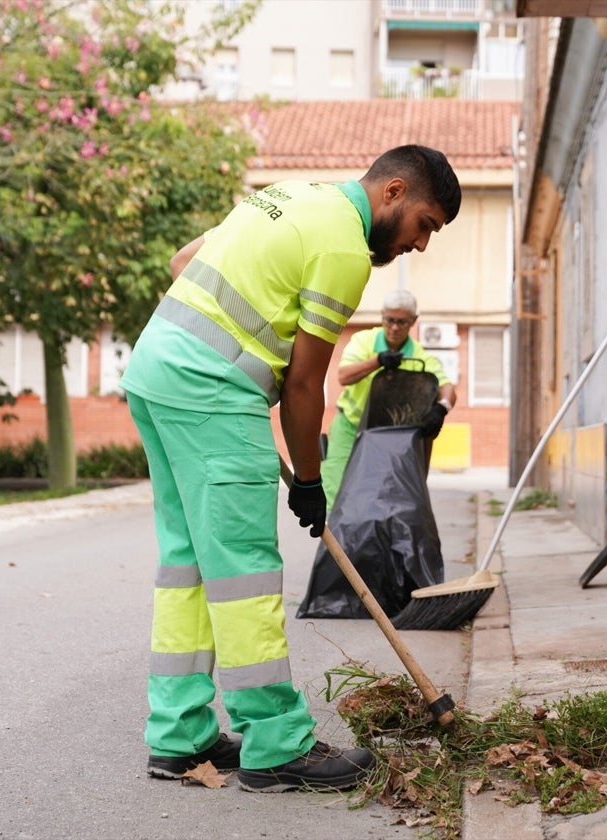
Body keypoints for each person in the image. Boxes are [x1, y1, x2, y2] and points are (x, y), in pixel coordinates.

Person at [118, 145, 461, 793]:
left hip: (157, 370)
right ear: (393, 192)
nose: (420, 244)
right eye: (426, 224)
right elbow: (306, 385)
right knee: (244, 568)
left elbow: (183, 262)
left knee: (190, 562)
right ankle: (274, 743)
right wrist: (310, 481)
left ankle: (179, 735)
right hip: (209, 391)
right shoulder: (342, 249)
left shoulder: (293, 194)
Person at [321, 289, 456, 512]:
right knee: (335, 491)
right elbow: (344, 376)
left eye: (402, 322)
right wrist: (378, 361)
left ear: (413, 321)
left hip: (386, 439)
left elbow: (447, 387)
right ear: (382, 316)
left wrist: (443, 408)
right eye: (390, 320)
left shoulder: (420, 356)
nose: (394, 327)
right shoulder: (364, 341)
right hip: (349, 428)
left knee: (379, 496)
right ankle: (333, 545)